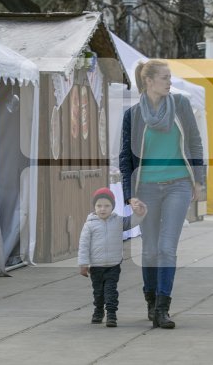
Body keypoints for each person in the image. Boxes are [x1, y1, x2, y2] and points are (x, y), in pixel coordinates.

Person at [119, 60, 205, 329]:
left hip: (178, 185)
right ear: (149, 81)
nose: (170, 82)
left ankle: (162, 307)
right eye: (165, 78)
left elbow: (194, 141)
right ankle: (150, 299)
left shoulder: (180, 105)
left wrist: (199, 180)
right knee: (150, 250)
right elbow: (125, 158)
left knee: (167, 248)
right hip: (146, 189)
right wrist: (129, 195)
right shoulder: (133, 115)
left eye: (170, 77)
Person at [78, 188, 147, 327]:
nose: (102, 209)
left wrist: (140, 213)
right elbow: (83, 245)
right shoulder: (89, 225)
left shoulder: (118, 221)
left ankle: (111, 314)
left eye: (107, 206)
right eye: (99, 206)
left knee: (110, 291)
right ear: (94, 207)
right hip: (96, 267)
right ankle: (98, 310)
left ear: (113, 207)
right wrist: (83, 264)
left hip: (113, 266)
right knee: (98, 293)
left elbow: (132, 221)